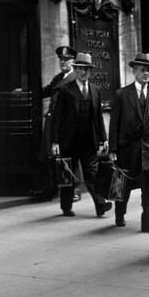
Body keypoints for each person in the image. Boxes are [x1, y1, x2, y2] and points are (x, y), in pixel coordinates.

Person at [51, 52, 112, 217]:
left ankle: (101, 205)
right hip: (69, 141)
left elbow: (98, 117)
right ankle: (66, 206)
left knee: (92, 174)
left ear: (90, 71)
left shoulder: (95, 90)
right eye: (80, 69)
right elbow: (56, 117)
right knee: (68, 175)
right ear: (75, 70)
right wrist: (55, 142)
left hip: (88, 141)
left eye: (87, 69)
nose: (84, 72)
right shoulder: (65, 90)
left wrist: (103, 138)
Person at [108, 53, 149, 233]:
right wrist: (113, 149)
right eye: (142, 70)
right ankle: (120, 213)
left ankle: (147, 221)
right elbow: (114, 123)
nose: (146, 73)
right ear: (134, 71)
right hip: (126, 148)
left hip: (148, 150)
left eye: (148, 71)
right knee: (123, 184)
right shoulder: (122, 94)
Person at [36, 46, 77, 201]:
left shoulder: (75, 79)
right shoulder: (57, 78)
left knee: (67, 157)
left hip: (65, 124)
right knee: (49, 155)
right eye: (61, 60)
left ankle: (73, 192)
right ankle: (51, 189)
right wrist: (26, 90)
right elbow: (45, 91)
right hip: (52, 121)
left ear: (73, 61)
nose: (63, 62)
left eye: (66, 60)